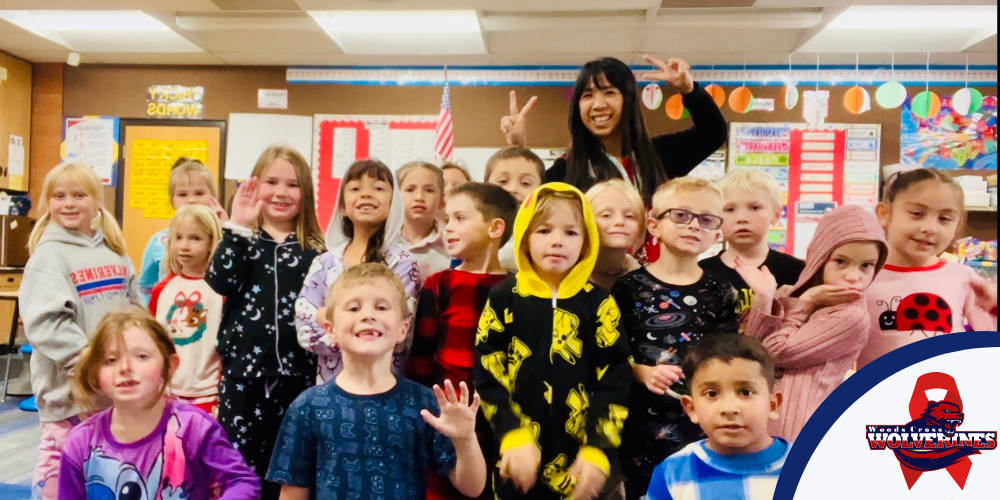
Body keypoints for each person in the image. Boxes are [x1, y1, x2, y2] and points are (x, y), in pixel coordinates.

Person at [267, 263, 487, 500]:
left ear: (403, 328)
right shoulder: (307, 406)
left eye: (381, 307)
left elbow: (472, 487)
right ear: (331, 330)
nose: (368, 315)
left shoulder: (424, 404)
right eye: (353, 308)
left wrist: (465, 439)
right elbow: (292, 491)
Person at [475, 183, 632, 500]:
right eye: (544, 230)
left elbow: (616, 378)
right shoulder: (504, 297)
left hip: (581, 466)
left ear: (586, 241)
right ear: (524, 236)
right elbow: (487, 370)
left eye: (571, 233)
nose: (557, 241)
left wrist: (598, 449)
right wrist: (511, 434)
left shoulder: (600, 304)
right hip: (515, 463)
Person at [204, 145, 326, 500]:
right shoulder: (241, 242)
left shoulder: (317, 252)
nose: (281, 192)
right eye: (272, 181)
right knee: (241, 472)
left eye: (292, 184)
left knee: (293, 469)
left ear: (306, 193)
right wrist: (238, 227)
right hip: (244, 381)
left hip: (300, 382)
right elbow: (219, 281)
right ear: (255, 187)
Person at [610, 177, 740, 500]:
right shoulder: (627, 287)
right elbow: (610, 353)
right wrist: (640, 372)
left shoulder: (721, 293)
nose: (694, 225)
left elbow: (725, 358)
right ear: (654, 224)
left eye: (706, 219)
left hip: (696, 422)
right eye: (681, 215)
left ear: (717, 233)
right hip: (638, 424)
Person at [21, 163, 140, 500]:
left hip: (112, 393)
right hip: (69, 399)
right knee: (60, 475)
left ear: (97, 201)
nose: (69, 203)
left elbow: (134, 310)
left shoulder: (114, 252)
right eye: (59, 196)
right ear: (47, 203)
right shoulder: (48, 255)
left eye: (79, 195)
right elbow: (48, 324)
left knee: (106, 475)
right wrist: (92, 370)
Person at [58, 309, 261, 500]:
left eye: (141, 356)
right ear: (95, 372)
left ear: (169, 366)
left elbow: (243, 482)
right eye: (110, 360)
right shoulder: (81, 443)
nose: (125, 368)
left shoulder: (194, 428)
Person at [738, 205, 888, 441]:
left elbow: (773, 354)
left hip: (797, 429)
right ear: (819, 258)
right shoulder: (793, 293)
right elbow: (749, 351)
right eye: (841, 261)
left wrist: (805, 302)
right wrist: (765, 297)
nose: (853, 276)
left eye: (866, 265)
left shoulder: (850, 317)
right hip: (759, 422)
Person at [407, 182, 517, 500]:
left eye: (460, 218)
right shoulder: (440, 284)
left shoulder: (519, 289)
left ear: (496, 227)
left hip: (500, 420)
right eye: (448, 220)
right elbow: (421, 360)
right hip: (446, 420)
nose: (450, 228)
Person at [501, 55, 727, 206]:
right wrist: (518, 148)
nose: (598, 104)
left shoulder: (659, 155)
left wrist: (689, 90)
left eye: (609, 92)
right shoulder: (567, 169)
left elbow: (713, 134)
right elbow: (527, 205)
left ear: (628, 101)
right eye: (587, 95)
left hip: (649, 275)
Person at [858, 168, 997, 369]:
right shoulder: (864, 277)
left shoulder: (964, 278)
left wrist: (993, 307)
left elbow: (988, 344)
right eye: (917, 214)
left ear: (958, 225)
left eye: (944, 219)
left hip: (946, 393)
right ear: (885, 214)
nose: (930, 228)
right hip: (881, 393)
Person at [295, 159, 420, 382]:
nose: (366, 194)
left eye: (379, 188)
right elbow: (304, 329)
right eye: (355, 188)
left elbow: (399, 333)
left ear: (394, 203)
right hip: (331, 388)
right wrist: (363, 334)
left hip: (386, 389)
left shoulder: (401, 262)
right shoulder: (324, 263)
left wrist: (329, 317)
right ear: (342, 205)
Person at [645, 335, 788, 500]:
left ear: (773, 405)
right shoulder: (671, 473)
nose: (729, 408)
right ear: (692, 409)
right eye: (712, 394)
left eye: (746, 392)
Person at [149, 204, 225, 415]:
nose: (184, 246)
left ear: (212, 242)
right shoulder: (162, 290)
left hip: (209, 397)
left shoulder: (222, 291)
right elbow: (152, 342)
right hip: (167, 396)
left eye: (195, 238)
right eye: (178, 237)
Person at [699, 169, 805, 316]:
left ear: (776, 214)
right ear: (716, 217)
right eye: (729, 209)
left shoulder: (798, 271)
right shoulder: (701, 272)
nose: (742, 218)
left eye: (754, 208)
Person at [138, 157, 226, 305]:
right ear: (172, 200)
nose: (191, 200)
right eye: (182, 194)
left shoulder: (225, 238)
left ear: (213, 197)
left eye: (199, 193)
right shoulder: (158, 242)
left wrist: (227, 230)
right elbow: (145, 287)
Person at [485, 147, 546, 272]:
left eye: (525, 183)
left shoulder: (544, 230)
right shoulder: (479, 227)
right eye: (503, 181)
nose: (512, 189)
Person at [585, 179, 644, 291]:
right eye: (606, 215)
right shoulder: (568, 275)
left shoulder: (641, 279)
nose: (619, 221)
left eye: (629, 216)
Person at [398, 161, 452, 280]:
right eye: (410, 189)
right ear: (395, 197)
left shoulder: (451, 244)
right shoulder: (383, 241)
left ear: (442, 201)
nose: (419, 197)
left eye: (429, 190)